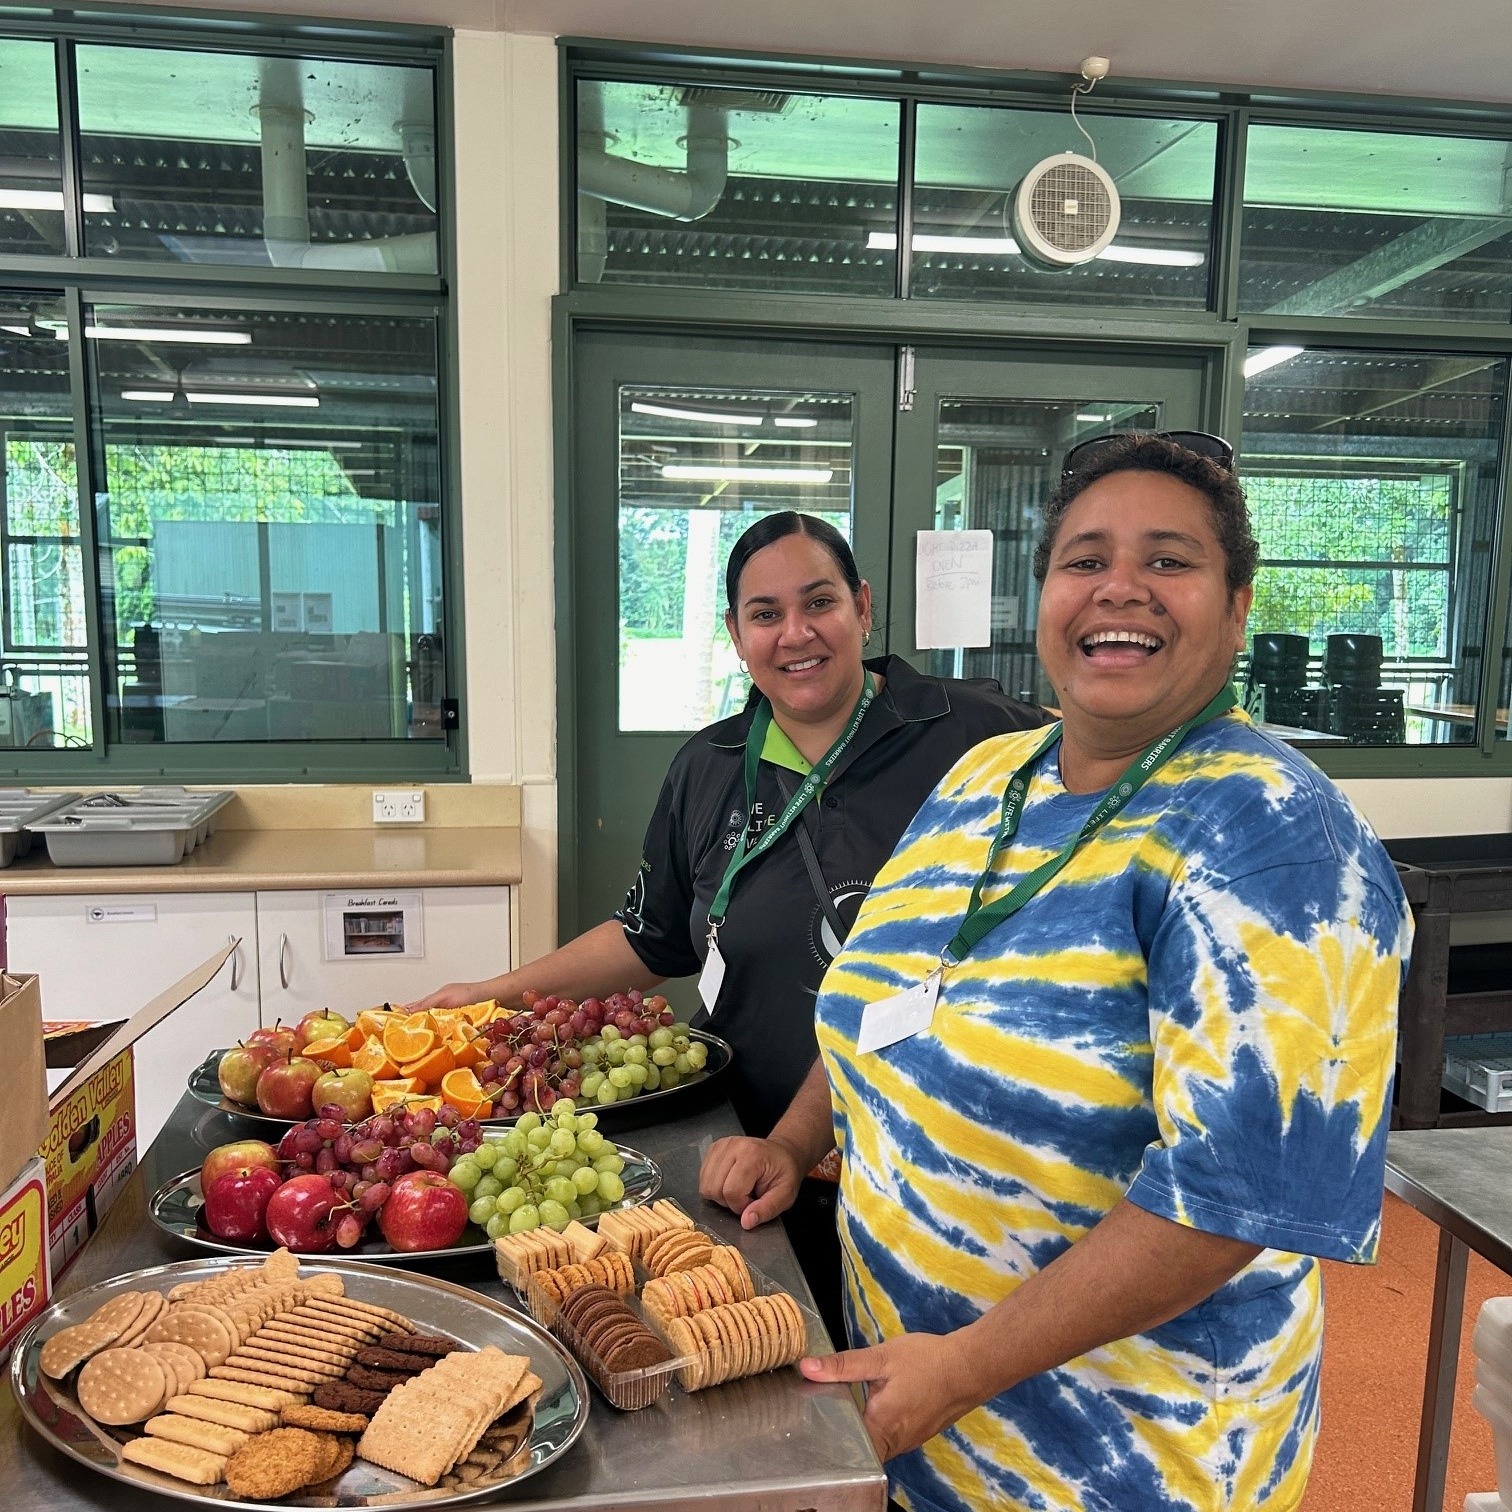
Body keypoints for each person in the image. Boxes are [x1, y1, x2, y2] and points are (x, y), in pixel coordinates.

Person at [700, 435, 1412, 1512]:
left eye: (1168, 560)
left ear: (1237, 603)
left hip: (1126, 1459)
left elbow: (1223, 1203)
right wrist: (797, 1144)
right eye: (1084, 559)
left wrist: (965, 1369)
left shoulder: (1274, 839)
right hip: (918, 1422)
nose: (1117, 587)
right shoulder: (992, 775)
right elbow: (889, 990)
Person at [412, 509, 1047, 1339]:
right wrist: (494, 993)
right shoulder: (708, 769)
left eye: (819, 602)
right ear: (736, 634)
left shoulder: (975, 739)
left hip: (936, 1170)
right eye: (764, 614)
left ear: (862, 605)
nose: (796, 633)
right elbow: (652, 938)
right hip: (754, 1165)